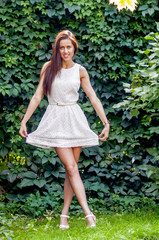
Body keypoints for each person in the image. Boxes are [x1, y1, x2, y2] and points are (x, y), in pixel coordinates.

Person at [19, 30, 110, 229]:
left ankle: (64, 215)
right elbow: (37, 96)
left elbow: (93, 97)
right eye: (62, 48)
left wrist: (106, 123)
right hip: (56, 119)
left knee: (72, 170)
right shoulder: (49, 68)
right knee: (71, 167)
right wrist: (24, 121)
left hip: (75, 119)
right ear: (57, 50)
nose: (65, 51)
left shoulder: (80, 70)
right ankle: (88, 215)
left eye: (68, 47)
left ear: (74, 48)